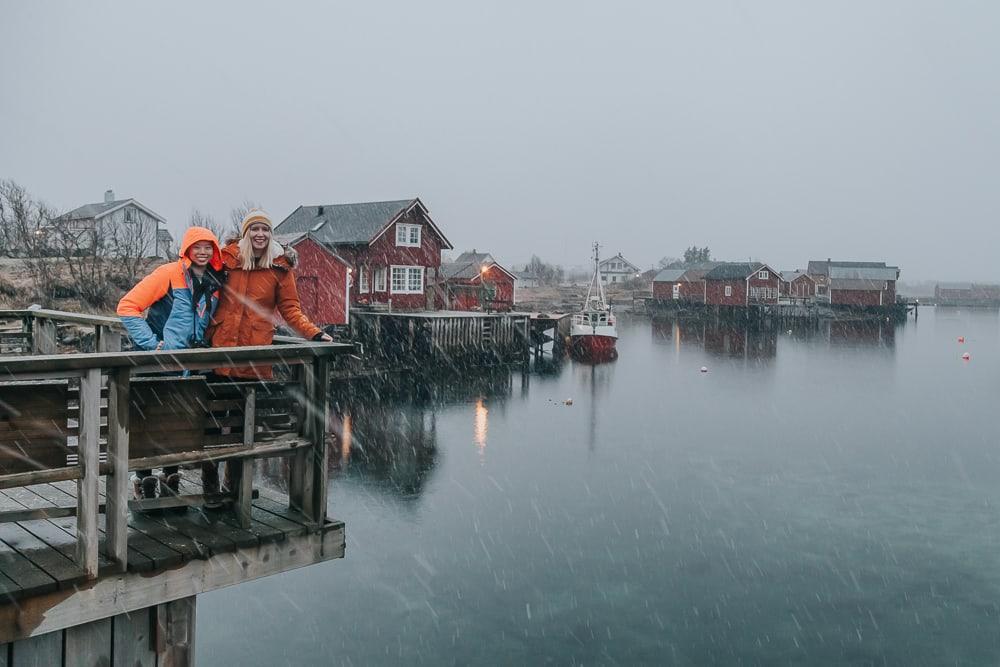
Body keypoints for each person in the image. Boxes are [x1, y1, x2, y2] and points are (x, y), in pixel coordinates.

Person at [203, 209, 332, 497]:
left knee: (241, 429)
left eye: (265, 229)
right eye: (254, 229)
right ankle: (210, 488)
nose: (260, 234)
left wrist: (314, 333)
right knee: (211, 426)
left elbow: (290, 310)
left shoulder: (280, 269)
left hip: (252, 357)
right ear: (246, 233)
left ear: (271, 234)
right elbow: (198, 288)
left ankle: (232, 488)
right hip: (219, 352)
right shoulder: (226, 260)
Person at [117, 226, 224, 500]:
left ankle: (170, 474)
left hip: (189, 365)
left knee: (178, 422)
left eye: (208, 246)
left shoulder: (214, 283)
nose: (202, 252)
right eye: (197, 246)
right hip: (158, 364)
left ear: (214, 251)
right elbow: (127, 306)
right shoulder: (169, 273)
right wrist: (152, 344)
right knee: (150, 421)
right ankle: (144, 478)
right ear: (186, 250)